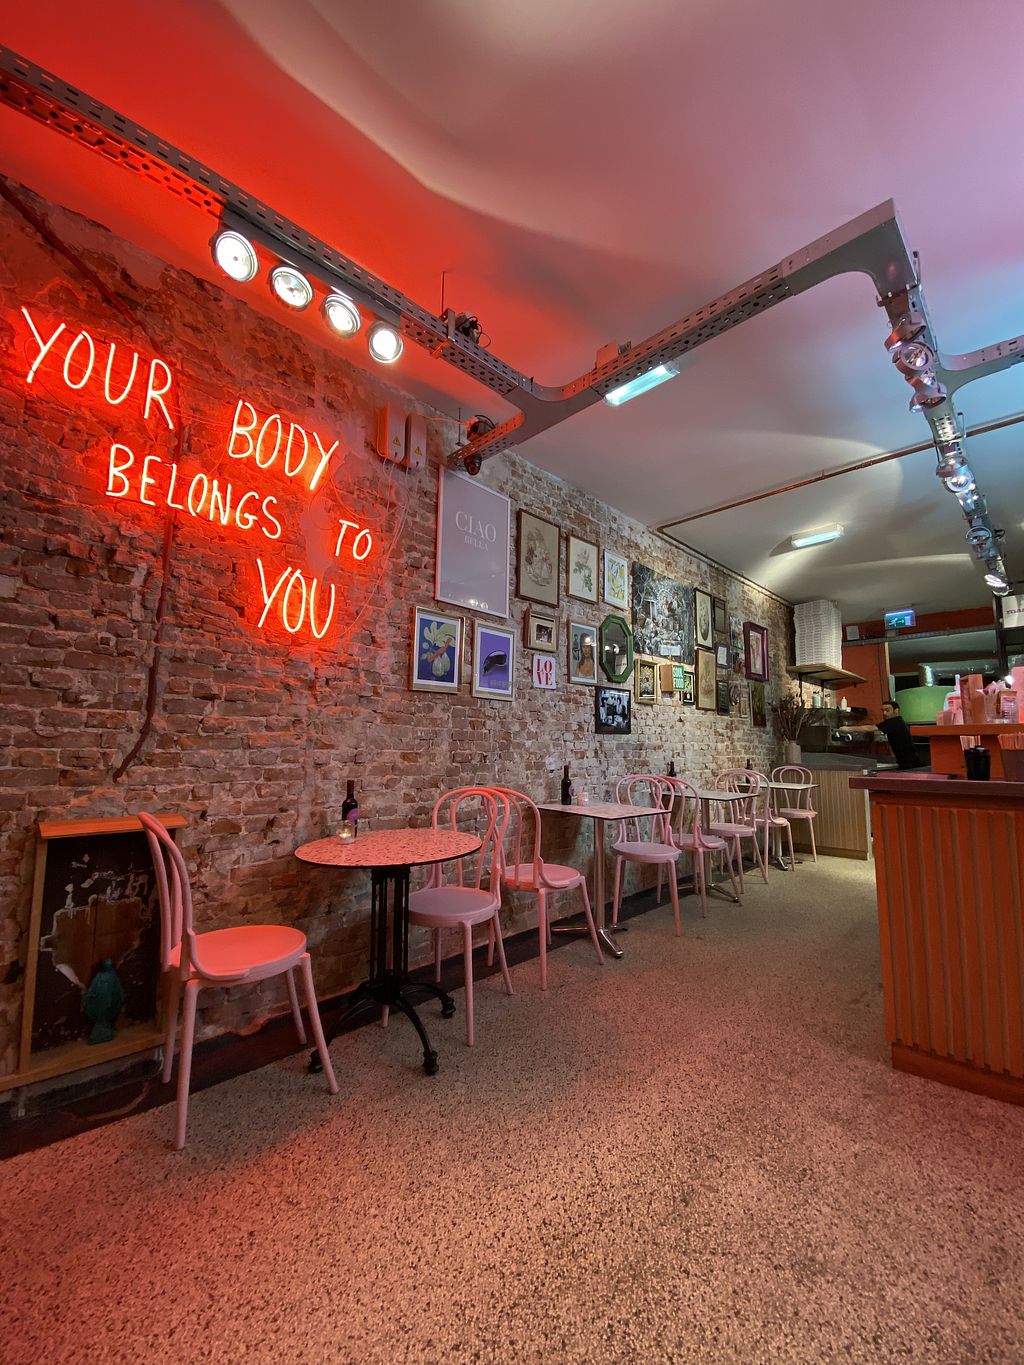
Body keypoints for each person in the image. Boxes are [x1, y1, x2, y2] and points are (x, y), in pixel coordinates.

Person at [838, 699, 925, 770]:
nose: (884, 713)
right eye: (883, 711)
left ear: (896, 711)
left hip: (910, 763)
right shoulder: (898, 722)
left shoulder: (894, 721)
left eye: (887, 710)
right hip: (908, 761)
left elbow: (869, 728)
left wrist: (847, 729)